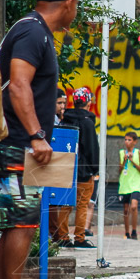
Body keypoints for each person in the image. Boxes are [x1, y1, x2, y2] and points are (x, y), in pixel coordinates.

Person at [0, 0, 87, 279]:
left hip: (13, 142)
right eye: (78, 3)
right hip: (17, 143)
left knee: (17, 223)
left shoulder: (30, 28)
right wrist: (35, 135)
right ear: (69, 3)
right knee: (22, 223)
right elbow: (18, 85)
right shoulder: (33, 32)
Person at [59, 87, 99, 249]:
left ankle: (61, 236)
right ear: (88, 103)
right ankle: (80, 237)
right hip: (83, 171)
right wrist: (95, 169)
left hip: (65, 169)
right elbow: (92, 148)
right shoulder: (88, 123)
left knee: (64, 204)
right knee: (82, 204)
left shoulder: (64, 120)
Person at [49, 88, 74, 246]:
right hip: (51, 164)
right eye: (59, 103)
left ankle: (56, 233)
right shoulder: (50, 120)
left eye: (64, 103)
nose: (62, 106)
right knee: (52, 202)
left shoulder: (61, 120)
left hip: (60, 163)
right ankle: (54, 233)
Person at [118, 131, 140, 239]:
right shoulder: (121, 153)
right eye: (125, 139)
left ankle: (134, 230)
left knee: (134, 206)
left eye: (129, 140)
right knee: (125, 209)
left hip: (135, 184)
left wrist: (132, 160)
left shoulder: (139, 153)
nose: (127, 142)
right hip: (124, 184)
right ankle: (127, 231)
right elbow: (119, 170)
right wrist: (124, 160)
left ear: (135, 142)